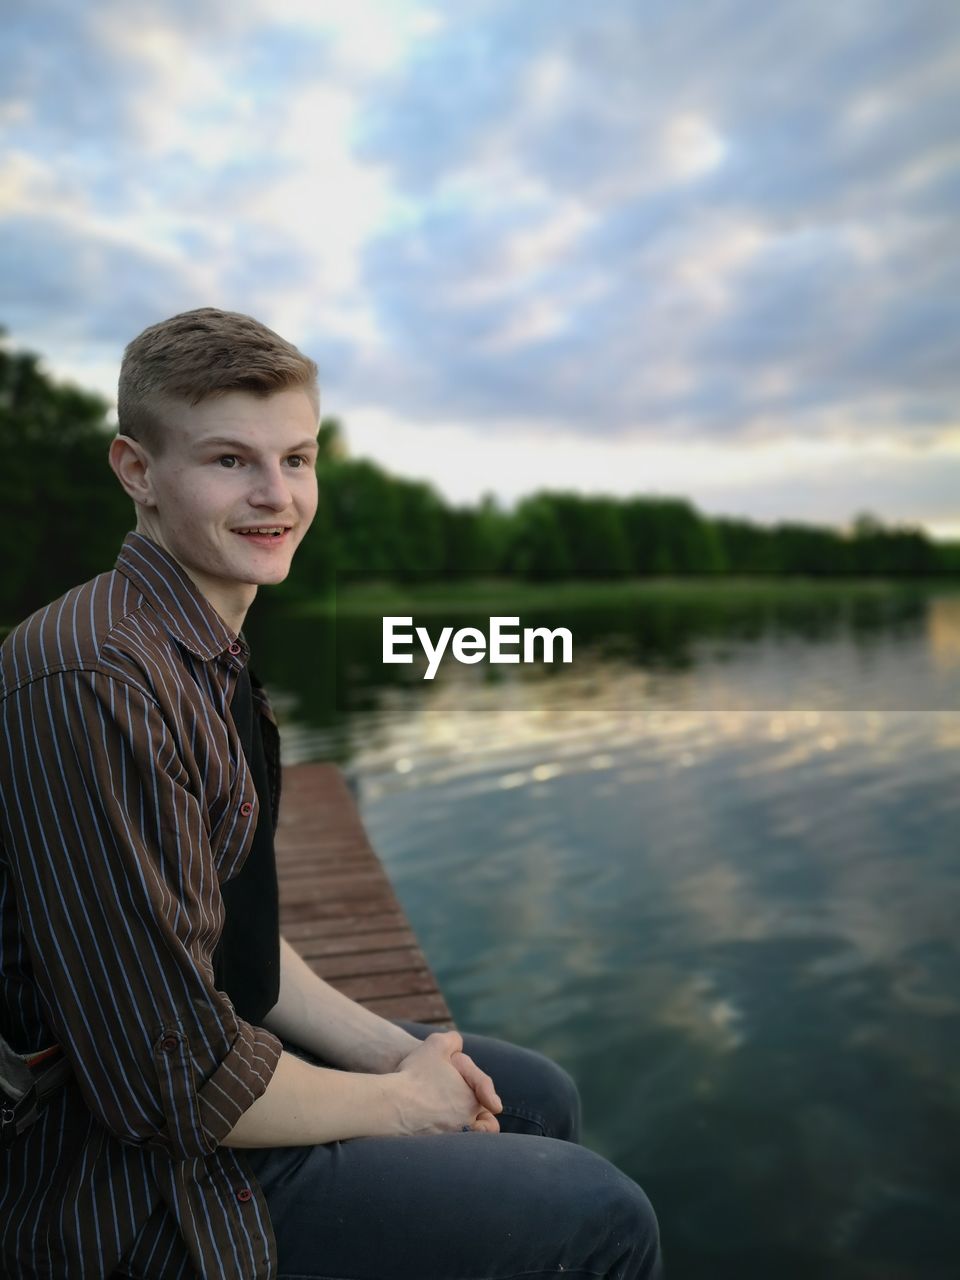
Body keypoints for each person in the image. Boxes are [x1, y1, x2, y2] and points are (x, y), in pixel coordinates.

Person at [0, 307, 663, 1279]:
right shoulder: (99, 679)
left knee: (532, 1093)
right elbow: (169, 1083)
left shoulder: (199, 645)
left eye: (297, 458)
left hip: (188, 1070)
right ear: (136, 469)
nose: (276, 494)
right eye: (230, 459)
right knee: (600, 1214)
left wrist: (402, 1053)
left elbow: (236, 933)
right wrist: (401, 1102)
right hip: (113, 1186)